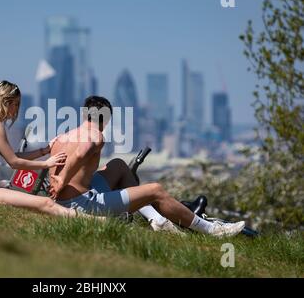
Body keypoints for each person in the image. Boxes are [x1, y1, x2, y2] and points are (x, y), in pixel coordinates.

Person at [48, 96, 246, 237]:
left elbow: (52, 160)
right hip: (84, 205)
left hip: (62, 201)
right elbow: (83, 152)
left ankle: (157, 221)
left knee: (117, 165)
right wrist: (63, 179)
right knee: (155, 190)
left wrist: (57, 182)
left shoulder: (62, 137)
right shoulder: (96, 134)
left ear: (84, 115)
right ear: (106, 119)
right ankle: (212, 230)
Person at [0, 79, 86, 218]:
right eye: (15, 104)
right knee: (46, 203)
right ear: (5, 102)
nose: (16, 109)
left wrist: (44, 151)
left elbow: (14, 156)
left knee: (39, 202)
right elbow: (14, 162)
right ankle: (93, 220)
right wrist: (47, 163)